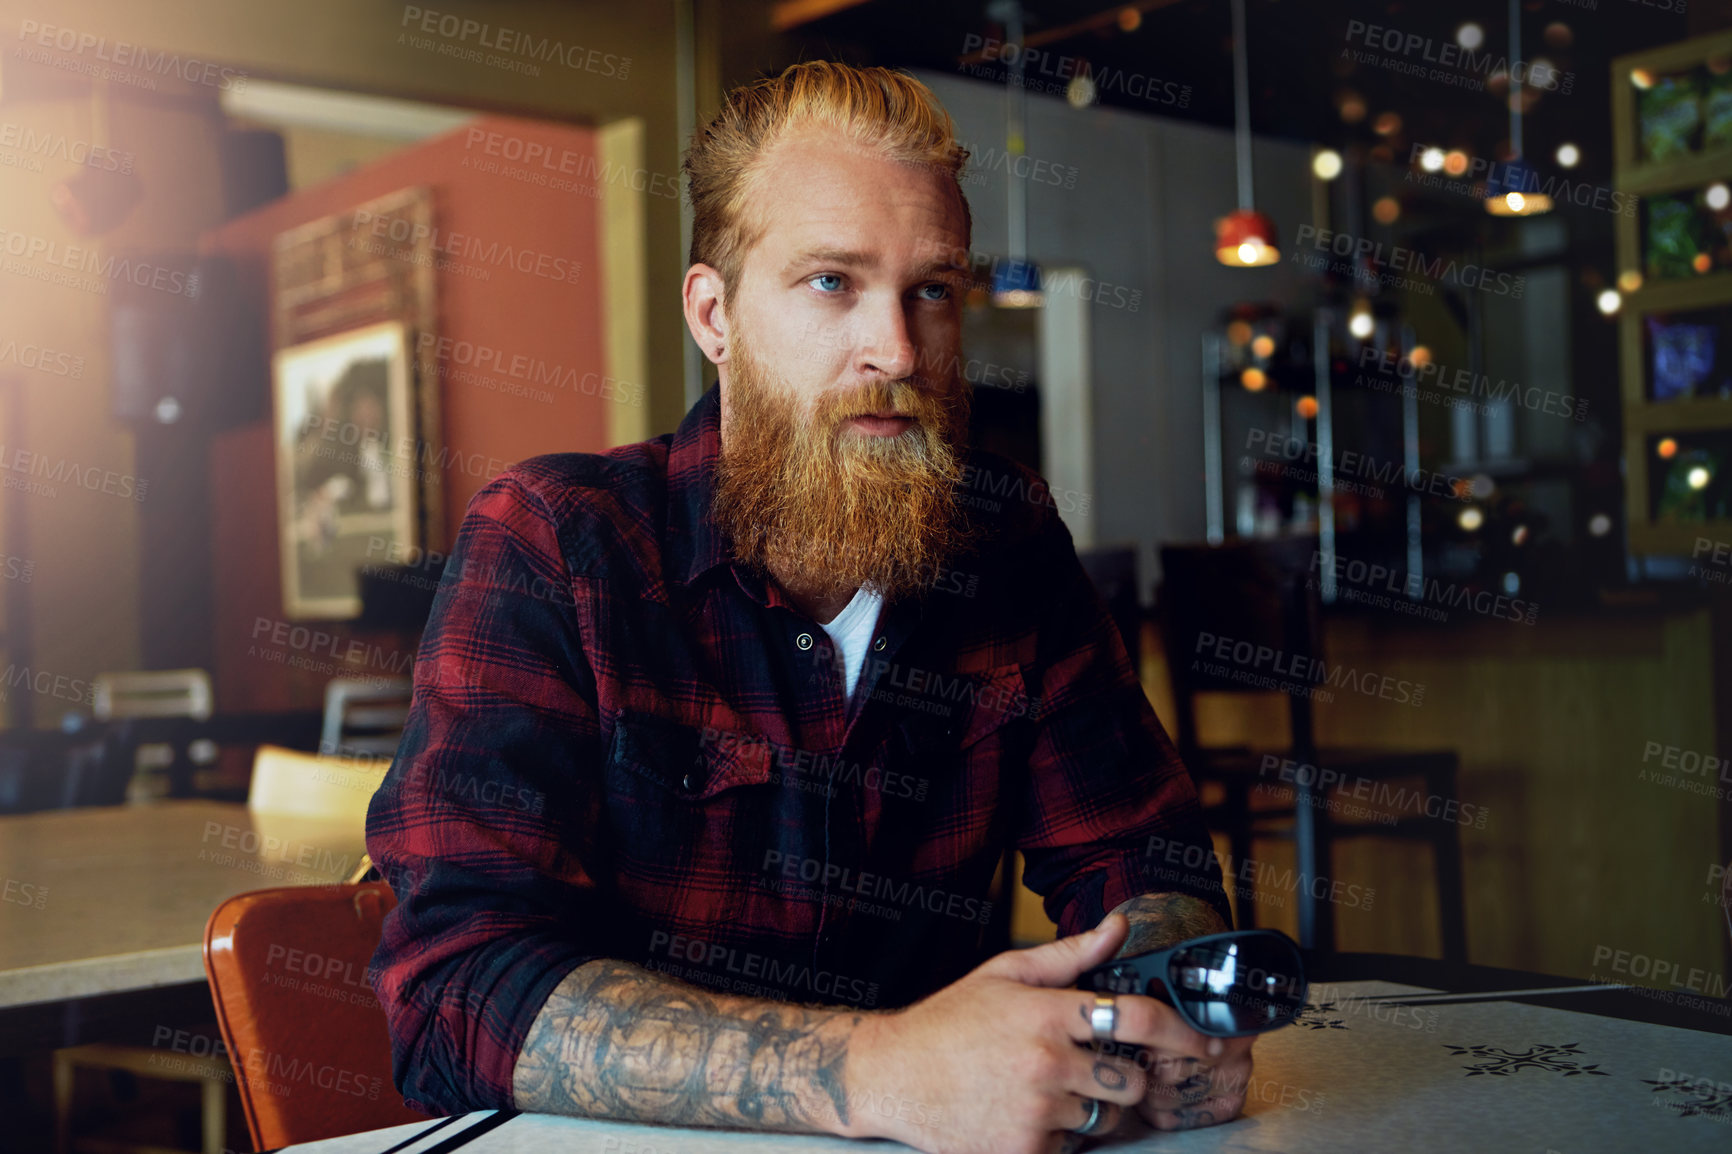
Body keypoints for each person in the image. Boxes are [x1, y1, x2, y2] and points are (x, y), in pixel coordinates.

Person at [366, 60, 1250, 1154]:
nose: (898, 349)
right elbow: (456, 991)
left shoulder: (1006, 538)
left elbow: (1142, 859)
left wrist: (1156, 1011)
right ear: (714, 313)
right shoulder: (558, 541)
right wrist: (878, 1070)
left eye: (932, 288)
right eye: (833, 281)